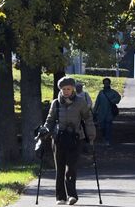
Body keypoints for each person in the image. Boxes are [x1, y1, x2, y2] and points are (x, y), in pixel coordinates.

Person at [42, 76, 96, 205]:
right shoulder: (55, 103)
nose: (66, 91)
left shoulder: (81, 102)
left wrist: (91, 137)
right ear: (60, 89)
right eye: (64, 89)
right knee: (59, 169)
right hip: (58, 138)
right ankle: (60, 197)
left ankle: (72, 196)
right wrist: (44, 131)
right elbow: (50, 120)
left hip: (76, 138)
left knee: (71, 168)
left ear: (73, 89)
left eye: (69, 89)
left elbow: (88, 119)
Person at [93, 77, 121, 146]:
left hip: (109, 113)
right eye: (105, 83)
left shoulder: (113, 92)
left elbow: (118, 97)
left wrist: (113, 101)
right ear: (103, 84)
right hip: (101, 113)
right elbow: (97, 102)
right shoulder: (101, 92)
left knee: (108, 126)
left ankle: (107, 140)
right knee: (102, 127)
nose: (106, 84)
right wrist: (94, 111)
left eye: (107, 83)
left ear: (109, 84)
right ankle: (104, 138)